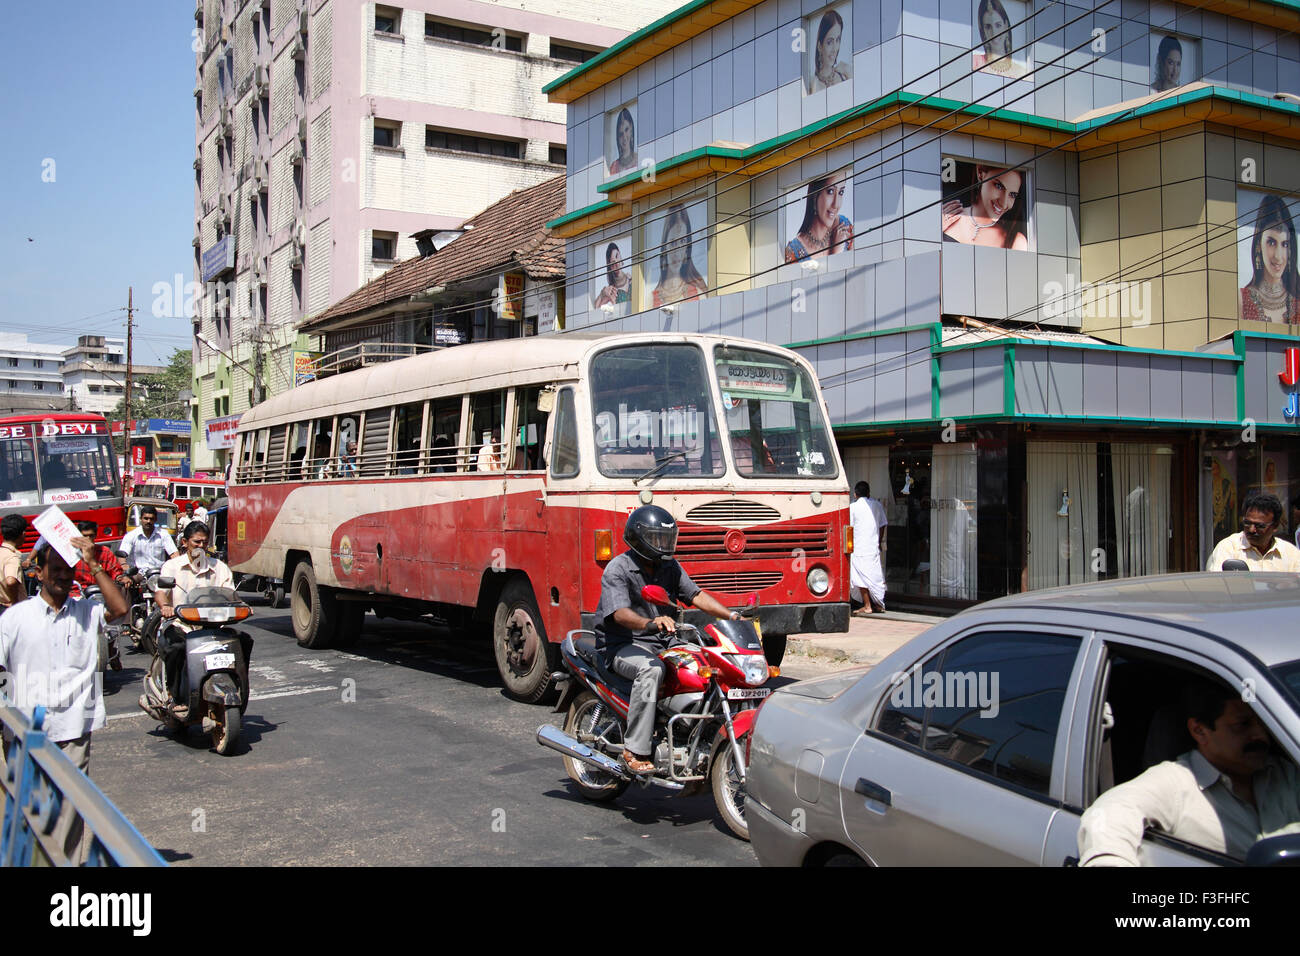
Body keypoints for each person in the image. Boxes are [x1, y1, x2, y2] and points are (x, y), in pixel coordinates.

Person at [0, 536, 128, 864]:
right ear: (39, 573)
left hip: (73, 731)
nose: (62, 576)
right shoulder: (15, 618)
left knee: (71, 815)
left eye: (68, 570)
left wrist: (94, 565)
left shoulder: (87, 612)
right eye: (54, 569)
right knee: (29, 815)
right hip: (27, 736)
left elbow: (120, 609)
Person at [1078, 679, 1300, 865]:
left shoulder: (1287, 774)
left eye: (1263, 723)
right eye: (1243, 725)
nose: (1261, 735)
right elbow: (1111, 812)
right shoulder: (1175, 783)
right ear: (1200, 731)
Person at [595, 505, 741, 775]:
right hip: (624, 644)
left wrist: (731, 615)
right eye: (657, 539)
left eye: (666, 539)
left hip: (664, 642)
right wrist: (650, 623)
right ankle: (634, 749)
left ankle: (694, 731)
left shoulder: (669, 566)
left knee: (706, 663)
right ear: (639, 539)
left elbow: (695, 595)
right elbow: (619, 614)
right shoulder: (618, 569)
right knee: (652, 670)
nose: (663, 545)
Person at [153, 520, 235, 707]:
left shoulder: (219, 568)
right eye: (196, 542)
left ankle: (238, 688)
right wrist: (165, 606)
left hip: (213, 626)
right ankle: (175, 697)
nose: (201, 546)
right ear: (184, 542)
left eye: (204, 542)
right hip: (180, 625)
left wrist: (241, 606)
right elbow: (160, 592)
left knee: (242, 642)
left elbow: (230, 595)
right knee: (176, 649)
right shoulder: (171, 566)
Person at [1239, 194, 1300, 324]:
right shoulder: (1242, 300)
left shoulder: (1297, 304)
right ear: (1258, 245)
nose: (1278, 256)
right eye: (1271, 242)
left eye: (1285, 244)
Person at [1205, 491, 1300, 571]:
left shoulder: (1290, 553)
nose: (1251, 530)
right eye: (1247, 523)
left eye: (1260, 526)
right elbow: (1218, 585)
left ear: (1275, 526)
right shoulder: (1228, 548)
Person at [941, 164, 1029, 249]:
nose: (1004, 203)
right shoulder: (945, 219)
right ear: (980, 173)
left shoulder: (1015, 241)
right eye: (999, 186)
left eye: (1012, 195)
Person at [784, 173, 854, 262]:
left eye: (841, 192)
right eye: (830, 191)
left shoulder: (844, 226)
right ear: (814, 195)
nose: (836, 204)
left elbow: (860, 270)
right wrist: (837, 251)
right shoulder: (794, 251)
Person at [651, 205, 708, 308]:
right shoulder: (652, 299)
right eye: (673, 243)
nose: (677, 253)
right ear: (665, 248)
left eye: (682, 242)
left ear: (687, 249)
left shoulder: (698, 293)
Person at [849, 481, 888, 615]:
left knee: (860, 577)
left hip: (859, 547)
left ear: (855, 494)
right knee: (875, 575)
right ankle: (878, 604)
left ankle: (867, 606)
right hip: (872, 546)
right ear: (869, 493)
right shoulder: (877, 505)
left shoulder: (853, 507)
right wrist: (878, 540)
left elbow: (849, 528)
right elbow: (883, 524)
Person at [117, 504, 178, 578]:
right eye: (145, 518)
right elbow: (122, 554)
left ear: (155, 520)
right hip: (136, 574)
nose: (148, 521)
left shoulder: (164, 534)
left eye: (151, 519)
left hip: (157, 575)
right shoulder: (131, 535)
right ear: (141, 519)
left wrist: (177, 565)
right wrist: (124, 565)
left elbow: (174, 554)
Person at [972, 0, 1027, 78]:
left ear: (1006, 26)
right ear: (983, 31)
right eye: (988, 27)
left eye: (998, 25)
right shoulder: (974, 62)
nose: (994, 33)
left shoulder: (1021, 72)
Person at [806, 9, 852, 93]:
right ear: (820, 46)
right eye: (829, 42)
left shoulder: (845, 75)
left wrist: (849, 71)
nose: (835, 49)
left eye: (837, 40)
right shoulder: (812, 83)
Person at [593, 242, 632, 310]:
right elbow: (595, 309)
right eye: (613, 263)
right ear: (610, 267)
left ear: (620, 255)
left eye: (617, 256)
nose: (616, 263)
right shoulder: (611, 290)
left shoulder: (631, 279)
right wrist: (602, 295)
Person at [0, 514, 26, 610]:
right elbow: (11, 581)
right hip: (9, 609)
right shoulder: (12, 557)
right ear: (23, 534)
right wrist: (14, 602)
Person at [608, 108, 638, 176]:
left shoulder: (639, 159)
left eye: (626, 130)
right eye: (621, 134)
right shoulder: (614, 167)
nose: (624, 137)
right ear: (617, 138)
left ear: (631, 130)